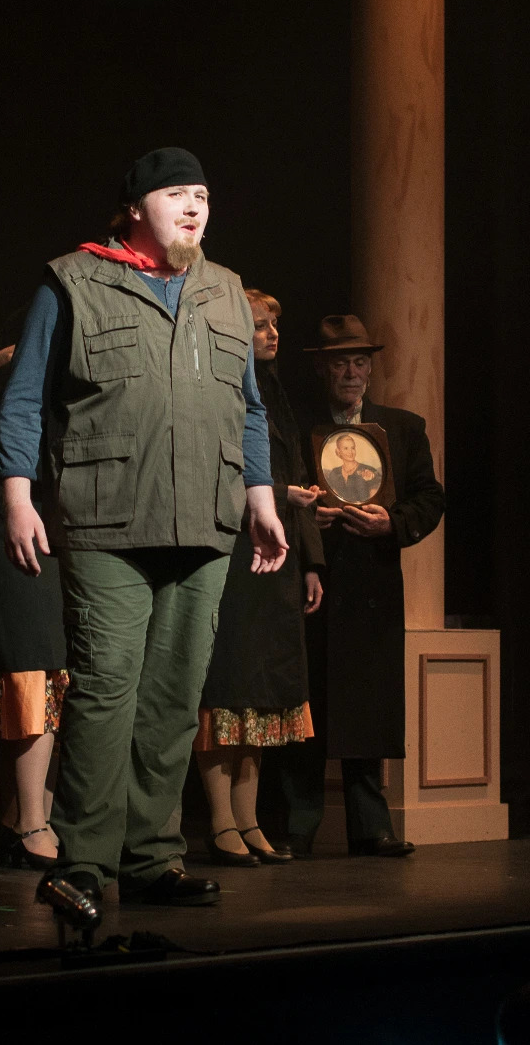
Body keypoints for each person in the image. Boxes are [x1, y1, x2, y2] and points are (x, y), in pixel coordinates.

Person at [0, 147, 287, 906]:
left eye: (203, 196)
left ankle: (152, 857)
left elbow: (248, 408)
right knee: (105, 690)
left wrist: (261, 498)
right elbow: (25, 398)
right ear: (134, 208)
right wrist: (18, 496)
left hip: (206, 519)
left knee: (174, 696)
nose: (194, 207)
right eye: (176, 194)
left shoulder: (225, 292)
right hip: (109, 518)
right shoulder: (74, 281)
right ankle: (84, 863)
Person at [279, 314, 445, 858]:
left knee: (367, 705)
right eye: (339, 364)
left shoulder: (402, 428)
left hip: (373, 582)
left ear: (370, 370)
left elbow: (429, 498)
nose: (350, 373)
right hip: (313, 579)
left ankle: (371, 827)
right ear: (322, 369)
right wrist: (305, 520)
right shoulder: (299, 427)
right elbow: (276, 491)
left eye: (358, 362)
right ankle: (297, 826)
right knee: (306, 703)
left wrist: (392, 523)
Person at [195, 291, 324, 866]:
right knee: (228, 682)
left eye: (275, 325)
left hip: (278, 557)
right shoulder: (220, 387)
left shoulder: (274, 392)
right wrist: (272, 494)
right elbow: (211, 468)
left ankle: (248, 820)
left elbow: (295, 472)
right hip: (235, 551)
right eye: (261, 325)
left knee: (264, 688)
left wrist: (312, 562)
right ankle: (220, 820)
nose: (273, 334)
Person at [0, 313, 68, 871]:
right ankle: (31, 821)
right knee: (32, 671)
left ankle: (22, 817)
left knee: (50, 678)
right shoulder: (19, 385)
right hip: (23, 538)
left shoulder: (51, 382)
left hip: (54, 539)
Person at [323, 432, 381, 503]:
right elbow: (333, 499)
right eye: (346, 448)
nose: (350, 452)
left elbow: (375, 500)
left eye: (353, 448)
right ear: (338, 451)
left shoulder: (369, 470)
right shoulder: (334, 473)